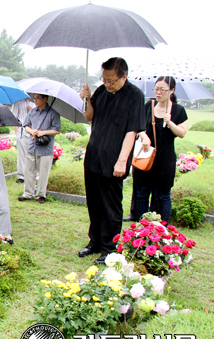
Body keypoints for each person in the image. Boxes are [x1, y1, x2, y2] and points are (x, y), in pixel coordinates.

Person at [79, 57, 145, 264]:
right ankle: (95, 241)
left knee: (111, 206)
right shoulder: (101, 91)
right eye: (104, 80)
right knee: (94, 202)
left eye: (111, 81)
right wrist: (87, 99)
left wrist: (122, 160)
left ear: (124, 76)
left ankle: (110, 247)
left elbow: (132, 131)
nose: (107, 84)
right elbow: (90, 117)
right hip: (94, 154)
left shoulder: (134, 96)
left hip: (115, 158)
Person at [133, 76, 188, 223]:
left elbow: (182, 133)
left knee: (164, 195)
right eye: (156, 89)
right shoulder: (148, 106)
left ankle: (163, 230)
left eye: (162, 90)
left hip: (165, 160)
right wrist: (144, 136)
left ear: (171, 91)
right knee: (142, 193)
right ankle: (142, 229)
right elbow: (138, 127)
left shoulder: (178, 110)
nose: (158, 93)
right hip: (146, 156)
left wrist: (169, 122)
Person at [17, 94, 61, 204]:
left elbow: (57, 130)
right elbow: (26, 125)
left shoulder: (53, 113)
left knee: (43, 172)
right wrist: (32, 131)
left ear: (45, 99)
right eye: (34, 98)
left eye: (38, 98)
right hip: (32, 146)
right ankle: (28, 193)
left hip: (45, 147)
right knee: (29, 170)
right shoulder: (32, 112)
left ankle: (41, 194)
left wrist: (43, 132)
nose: (35, 100)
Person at [12, 98, 34, 183]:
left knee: (33, 155)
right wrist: (17, 131)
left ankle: (34, 176)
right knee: (21, 154)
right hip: (22, 131)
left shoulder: (37, 101)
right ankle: (21, 176)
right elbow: (14, 117)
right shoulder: (18, 100)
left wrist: (33, 111)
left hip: (35, 131)